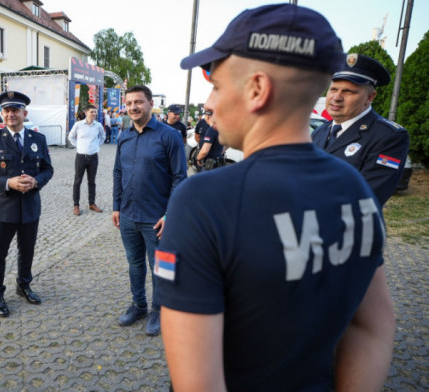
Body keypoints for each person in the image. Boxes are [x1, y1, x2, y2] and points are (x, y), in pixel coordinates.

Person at [158, 4, 395, 391]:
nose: (209, 104)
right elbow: (372, 326)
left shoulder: (202, 201)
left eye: (216, 85)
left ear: (257, 89)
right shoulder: (356, 189)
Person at [112, 85, 187, 336]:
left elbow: (180, 178)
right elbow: (118, 173)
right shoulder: (124, 136)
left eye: (138, 102)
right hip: (128, 216)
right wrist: (116, 207)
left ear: (150, 104)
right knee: (135, 264)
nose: (133, 107)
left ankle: (159, 309)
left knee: (160, 267)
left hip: (157, 219)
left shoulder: (169, 136)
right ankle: (139, 305)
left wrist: (170, 215)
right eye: (129, 102)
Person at [0, 91, 54, 318]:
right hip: (3, 208)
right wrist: (8, 182)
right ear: (2, 113)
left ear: (24, 113)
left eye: (15, 110)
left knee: (27, 251)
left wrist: (36, 181)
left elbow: (48, 169)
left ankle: (23, 285)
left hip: (30, 207)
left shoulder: (38, 140)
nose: (11, 114)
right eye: (7, 110)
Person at [311, 54, 410, 206]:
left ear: (370, 97)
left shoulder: (388, 137)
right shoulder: (319, 132)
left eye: (348, 92)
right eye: (333, 89)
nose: (336, 97)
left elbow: (366, 197)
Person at [68, 104, 105, 216]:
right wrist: (78, 146)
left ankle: (92, 203)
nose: (94, 114)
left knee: (92, 181)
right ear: (86, 112)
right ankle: (76, 205)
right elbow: (71, 137)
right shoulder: (78, 125)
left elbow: (102, 137)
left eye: (95, 112)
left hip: (93, 157)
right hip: (81, 157)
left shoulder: (98, 125)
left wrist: (96, 146)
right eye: (92, 112)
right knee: (77, 181)